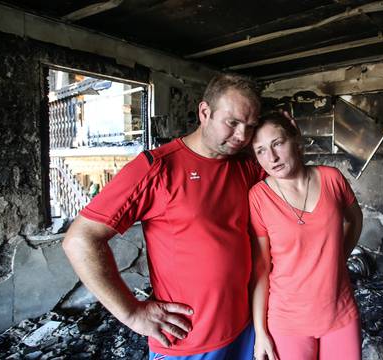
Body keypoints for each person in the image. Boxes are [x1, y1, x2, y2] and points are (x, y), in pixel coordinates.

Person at [62, 73, 264, 360]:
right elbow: (80, 239)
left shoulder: (246, 168)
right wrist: (131, 313)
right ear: (204, 112)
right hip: (186, 342)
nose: (242, 136)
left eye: (251, 126)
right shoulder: (156, 168)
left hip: (245, 331)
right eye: (232, 123)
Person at [248, 112, 364, 360]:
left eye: (277, 143)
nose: (272, 158)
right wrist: (260, 332)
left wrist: (338, 257)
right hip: (288, 321)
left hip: (340, 313)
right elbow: (261, 269)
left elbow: (355, 219)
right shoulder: (258, 197)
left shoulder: (332, 178)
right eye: (260, 151)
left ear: (295, 140)